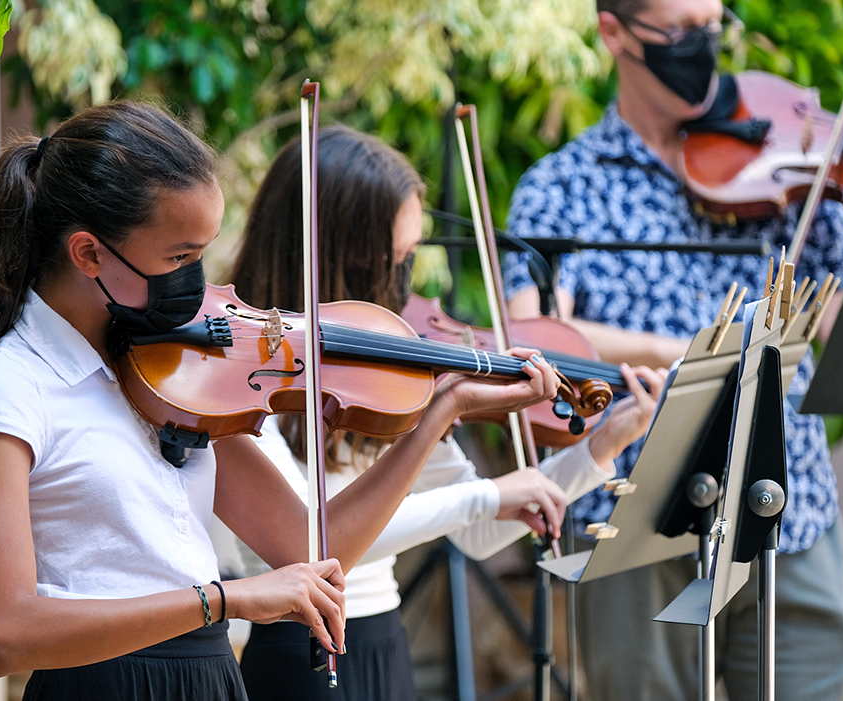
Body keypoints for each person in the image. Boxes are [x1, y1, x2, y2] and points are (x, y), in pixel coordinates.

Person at [0, 101, 568, 701]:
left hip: (210, 678)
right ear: (88, 253)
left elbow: (314, 543)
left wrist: (436, 414)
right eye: (180, 256)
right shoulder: (11, 383)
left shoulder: (174, 372)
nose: (201, 284)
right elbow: (3, 632)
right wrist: (224, 599)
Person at [502, 1, 843, 699]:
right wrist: (684, 352)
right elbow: (536, 336)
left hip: (786, 496)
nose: (703, 48)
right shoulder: (562, 187)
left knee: (835, 677)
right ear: (614, 33)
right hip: (639, 503)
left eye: (713, 26)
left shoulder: (787, 165)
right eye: (681, 32)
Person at [228, 125, 666, 701]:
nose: (402, 287)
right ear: (343, 256)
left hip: (383, 637)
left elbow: (482, 533)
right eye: (397, 260)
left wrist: (601, 446)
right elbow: (312, 540)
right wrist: (481, 483)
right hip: (291, 653)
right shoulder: (240, 370)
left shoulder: (384, 375)